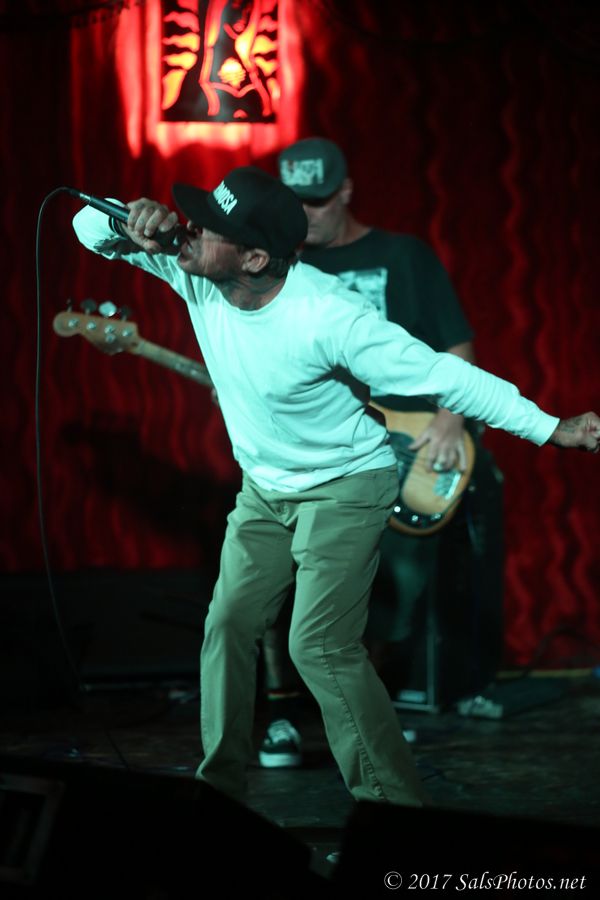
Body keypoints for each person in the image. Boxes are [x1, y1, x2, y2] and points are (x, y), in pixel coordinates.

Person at [72, 165, 600, 809]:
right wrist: (124, 215)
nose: (188, 230)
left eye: (208, 227)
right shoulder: (195, 269)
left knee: (318, 644)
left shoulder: (329, 315)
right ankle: (218, 797)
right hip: (264, 491)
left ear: (255, 257)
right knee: (228, 624)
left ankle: (394, 810)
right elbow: (84, 228)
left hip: (347, 486)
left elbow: (446, 376)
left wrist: (550, 427)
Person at [256, 137, 498, 768]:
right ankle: (282, 717)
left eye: (317, 201)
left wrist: (451, 421)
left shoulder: (402, 256)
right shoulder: (279, 268)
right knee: (279, 581)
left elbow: (457, 347)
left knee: (397, 592)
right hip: (315, 458)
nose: (306, 215)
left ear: (345, 192)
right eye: (294, 203)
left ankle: (370, 711)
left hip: (403, 448)